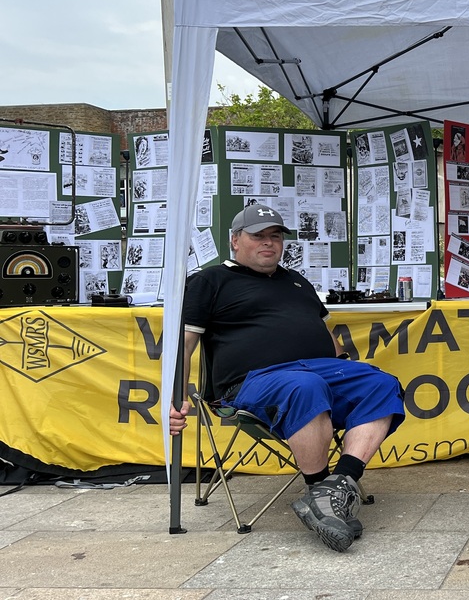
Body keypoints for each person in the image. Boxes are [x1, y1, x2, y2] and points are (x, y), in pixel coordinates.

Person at [167, 204, 406, 552]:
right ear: (235, 241)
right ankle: (319, 487)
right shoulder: (210, 280)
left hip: (319, 370)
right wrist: (175, 398)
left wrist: (345, 367)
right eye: (258, 236)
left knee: (380, 383)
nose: (269, 243)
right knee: (305, 387)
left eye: (275, 236)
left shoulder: (297, 281)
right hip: (253, 381)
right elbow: (182, 346)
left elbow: (327, 336)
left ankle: (335, 489)